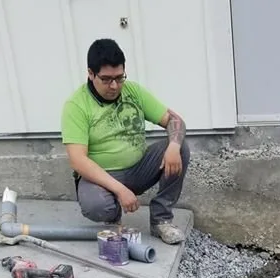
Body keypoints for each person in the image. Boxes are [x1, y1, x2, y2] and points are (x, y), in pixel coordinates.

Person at [61, 38, 190, 244]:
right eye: (106, 79)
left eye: (119, 78)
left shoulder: (133, 91)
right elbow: (78, 160)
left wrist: (173, 146)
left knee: (180, 146)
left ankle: (161, 220)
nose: (114, 86)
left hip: (139, 169)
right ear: (90, 73)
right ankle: (113, 220)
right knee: (98, 206)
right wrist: (120, 190)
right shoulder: (76, 105)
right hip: (101, 178)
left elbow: (174, 120)